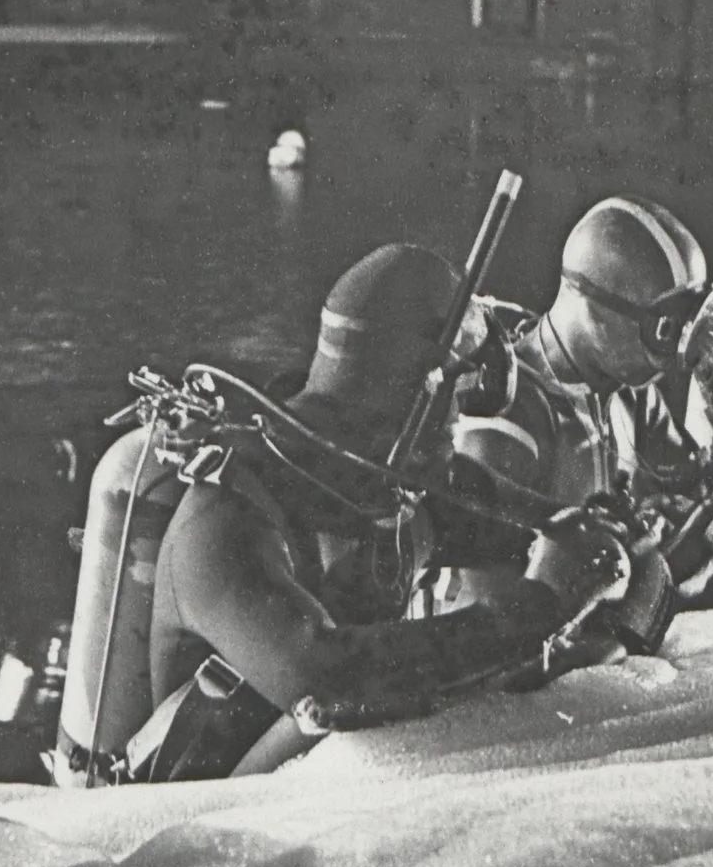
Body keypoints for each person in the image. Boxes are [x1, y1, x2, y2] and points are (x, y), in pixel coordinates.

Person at [129, 241, 636, 781]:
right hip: (200, 825)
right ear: (415, 389)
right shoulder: (224, 518)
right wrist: (537, 608)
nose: (459, 426)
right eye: (456, 401)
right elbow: (326, 680)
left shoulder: (403, 483)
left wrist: (602, 543)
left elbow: (560, 529)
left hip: (327, 806)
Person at [446, 196, 713, 616]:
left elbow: (698, 505)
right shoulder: (507, 418)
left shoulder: (630, 393)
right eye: (665, 329)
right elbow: (495, 629)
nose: (680, 353)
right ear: (592, 307)